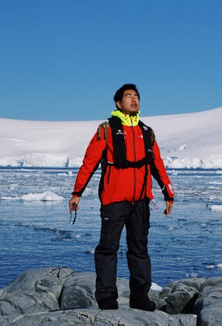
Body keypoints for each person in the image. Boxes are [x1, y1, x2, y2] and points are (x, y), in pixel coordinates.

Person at [68, 84, 175, 311]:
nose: (134, 100)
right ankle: (106, 298)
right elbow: (88, 164)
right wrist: (76, 193)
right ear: (118, 103)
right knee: (108, 249)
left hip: (141, 201)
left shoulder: (147, 132)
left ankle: (140, 297)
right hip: (114, 200)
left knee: (139, 250)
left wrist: (168, 193)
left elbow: (157, 165)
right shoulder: (106, 130)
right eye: (129, 97)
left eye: (137, 97)